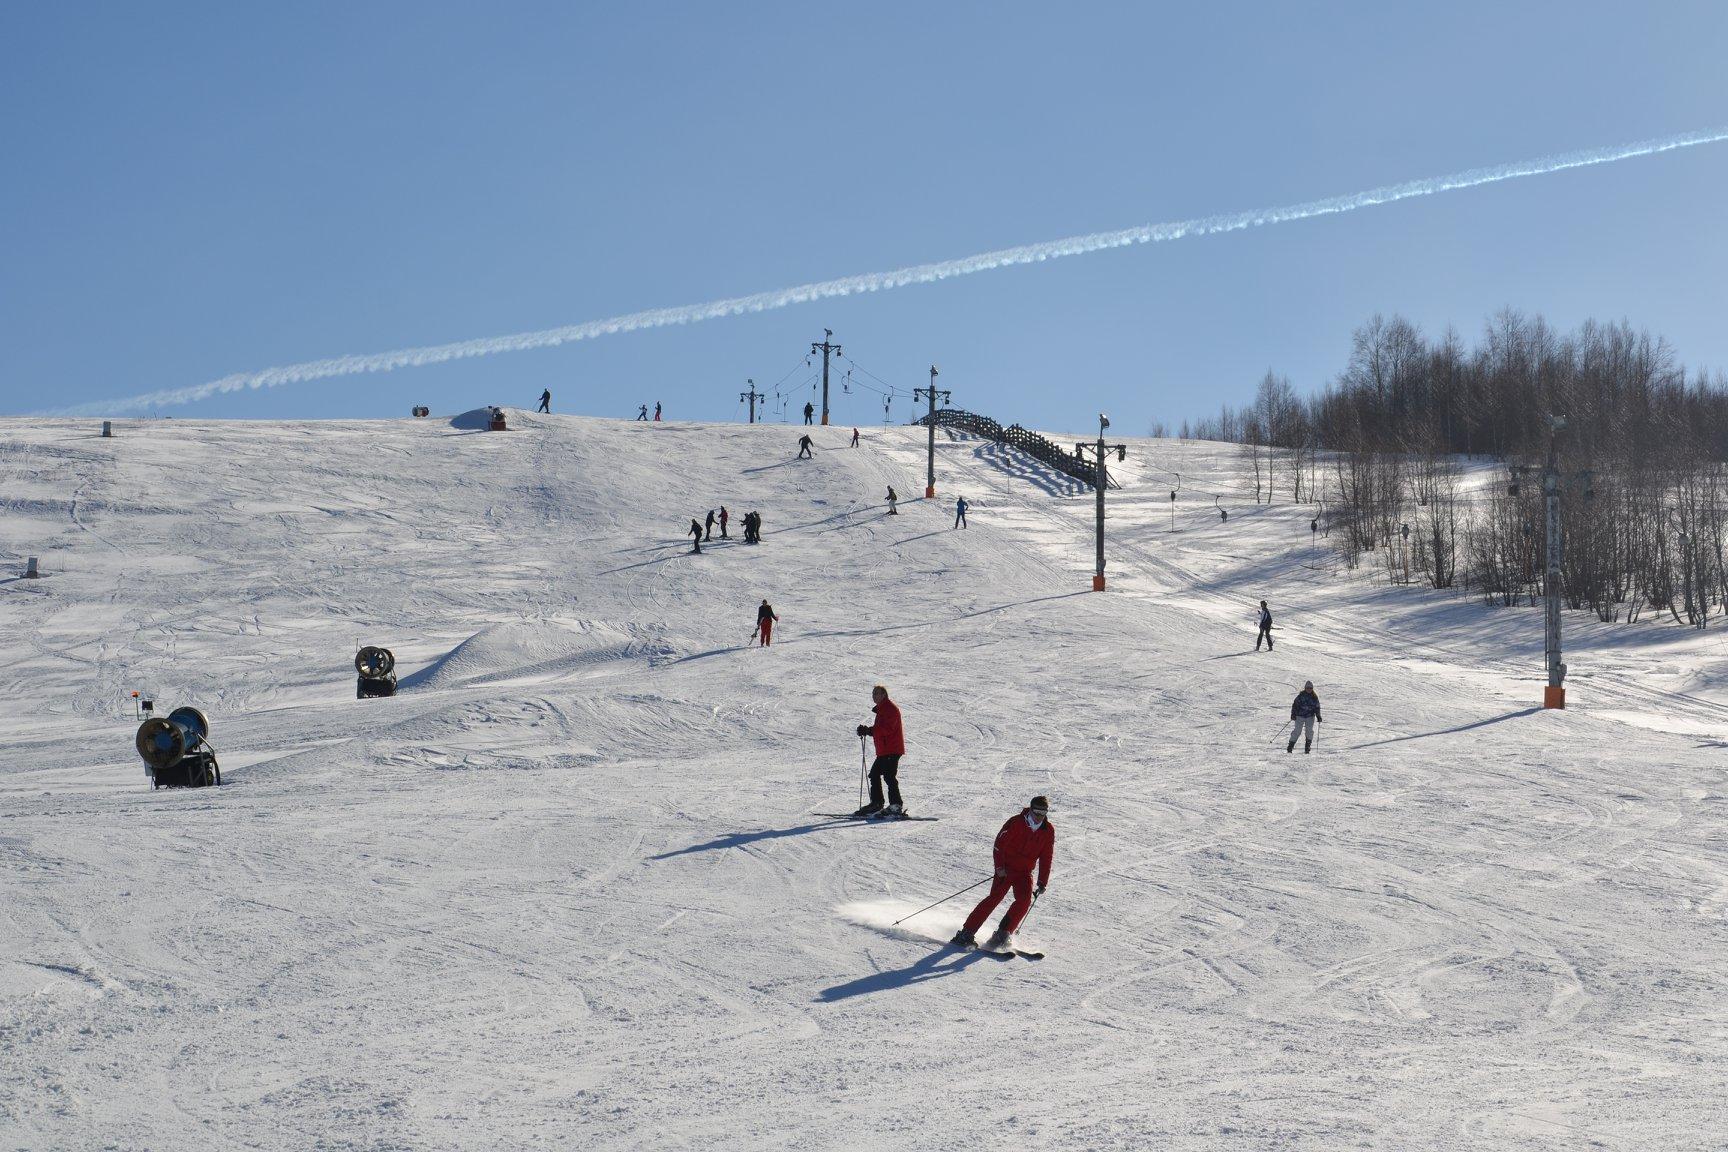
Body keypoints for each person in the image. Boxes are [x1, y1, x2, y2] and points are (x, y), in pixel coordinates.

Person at [952, 797, 1054, 951]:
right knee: (995, 898)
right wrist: (999, 867)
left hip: (1025, 872)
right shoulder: (1016, 822)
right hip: (1006, 869)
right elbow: (999, 845)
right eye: (1037, 812)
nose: (1040, 816)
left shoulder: (1048, 830)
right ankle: (966, 933)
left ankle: (1002, 934)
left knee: (1024, 901)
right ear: (1031, 810)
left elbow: (1046, 856)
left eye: (1043, 812)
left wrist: (1042, 881)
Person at [853, 685, 906, 818]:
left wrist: (869, 731)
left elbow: (888, 729)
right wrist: (868, 730)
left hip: (892, 749)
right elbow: (881, 728)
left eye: (877, 693)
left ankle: (896, 805)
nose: (874, 696)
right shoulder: (883, 709)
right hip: (885, 750)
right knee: (874, 774)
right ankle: (877, 803)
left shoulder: (890, 709)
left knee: (889, 776)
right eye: (873, 693)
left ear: (884, 695)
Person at [1288, 680, 1322, 753]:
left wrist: (1318, 715)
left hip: (1310, 716)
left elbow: (1317, 707)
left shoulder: (1314, 697)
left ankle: (1307, 747)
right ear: (1305, 688)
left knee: (1309, 731)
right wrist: (1293, 714)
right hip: (1300, 716)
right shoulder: (1300, 696)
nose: (1309, 689)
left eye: (1310, 688)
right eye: (1307, 688)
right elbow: (1295, 705)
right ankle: (1290, 746)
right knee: (1297, 731)